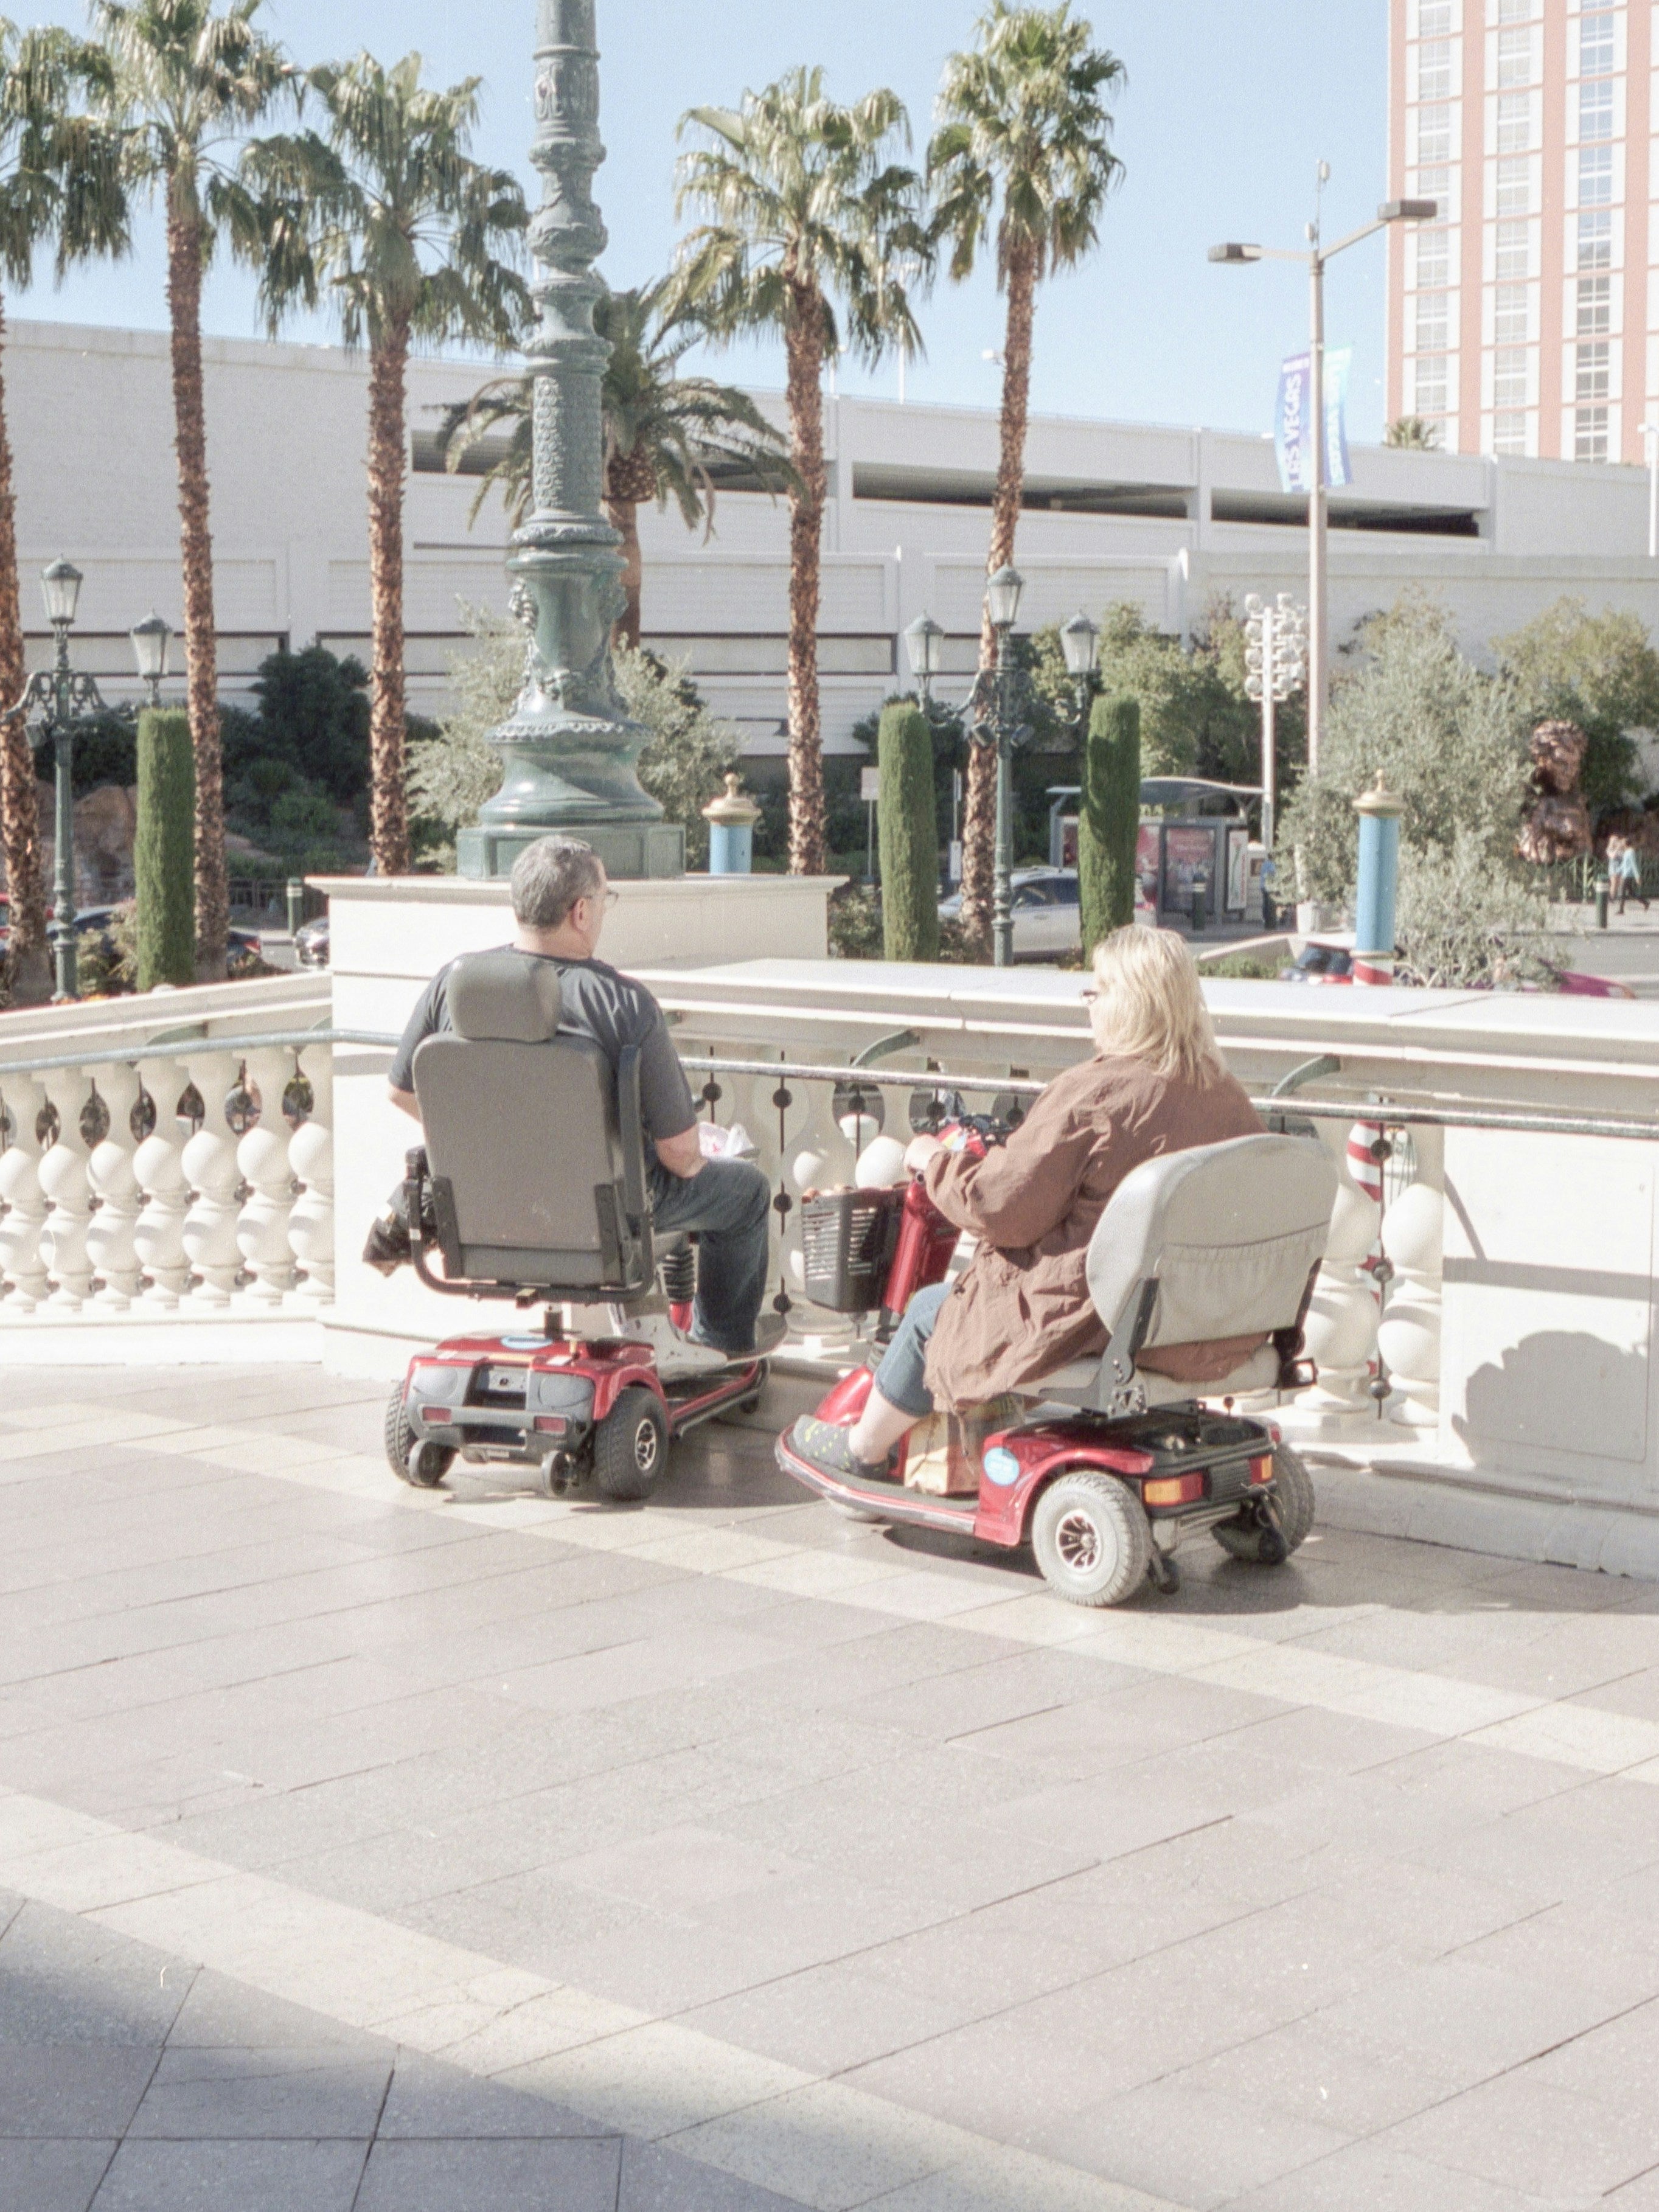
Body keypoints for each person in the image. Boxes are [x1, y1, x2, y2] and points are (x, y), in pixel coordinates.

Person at [788, 926, 1265, 1483]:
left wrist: (930, 1161)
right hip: (1205, 1319)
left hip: (1100, 1318)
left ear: (1134, 1004)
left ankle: (862, 1450)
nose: (1089, 1000)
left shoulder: (1096, 1094)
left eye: (1100, 988)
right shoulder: (1224, 1093)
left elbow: (1001, 1211)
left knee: (927, 1315)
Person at [364, 834, 776, 1358]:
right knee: (745, 1191)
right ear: (581, 911)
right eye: (604, 899)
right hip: (605, 1214)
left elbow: (400, 1091)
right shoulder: (624, 1004)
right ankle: (721, 1347)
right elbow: (683, 1156)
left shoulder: (453, 983)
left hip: (485, 1206)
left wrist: (496, 1152)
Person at [1612, 835, 1649, 916]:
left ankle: (1621, 910)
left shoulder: (1631, 852)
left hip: (1628, 875)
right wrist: (1617, 872)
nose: (1621, 844)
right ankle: (1645, 902)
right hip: (1625, 874)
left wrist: (1637, 876)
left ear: (1626, 844)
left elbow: (1634, 864)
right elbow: (1624, 865)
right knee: (1631, 893)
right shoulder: (1626, 852)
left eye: (1623, 842)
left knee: (1623, 891)